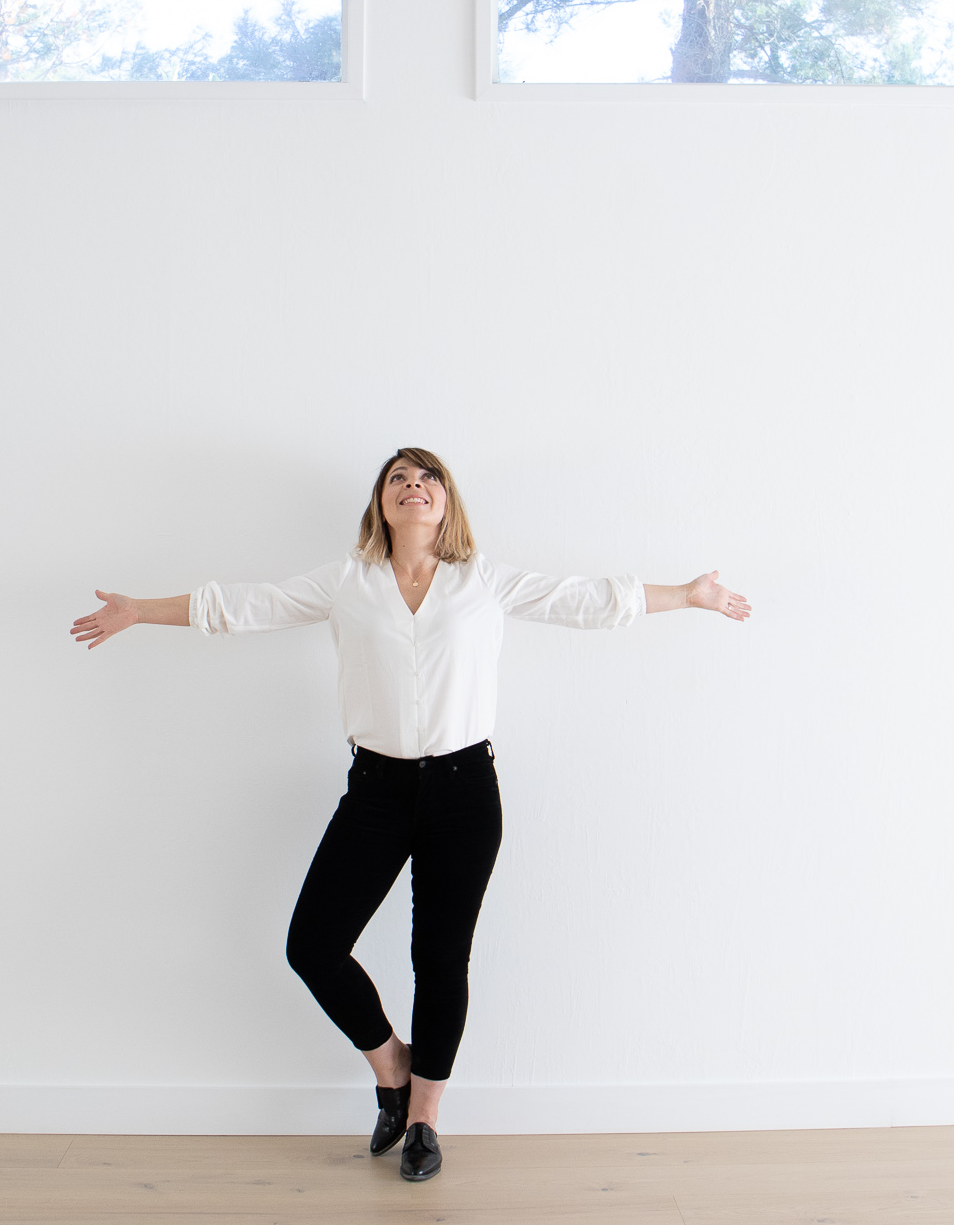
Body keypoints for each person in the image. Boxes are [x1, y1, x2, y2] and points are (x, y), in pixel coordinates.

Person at [71, 446, 749, 1182]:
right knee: (313, 945)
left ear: (446, 502)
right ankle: (390, 1065)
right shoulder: (347, 583)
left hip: (465, 791)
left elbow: (583, 600)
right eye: (399, 478)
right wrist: (139, 611)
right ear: (381, 504)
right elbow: (242, 606)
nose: (414, 486)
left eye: (428, 478)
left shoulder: (483, 580)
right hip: (377, 792)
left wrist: (688, 593)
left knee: (440, 958)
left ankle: (424, 1118)